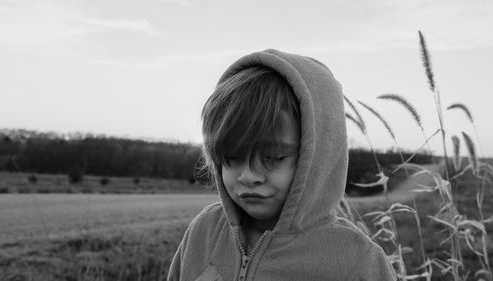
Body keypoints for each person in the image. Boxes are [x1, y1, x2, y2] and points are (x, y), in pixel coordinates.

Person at [167, 49, 396, 281]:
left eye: (273, 157)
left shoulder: (357, 261)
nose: (248, 176)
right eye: (232, 157)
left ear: (318, 155)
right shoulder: (204, 232)